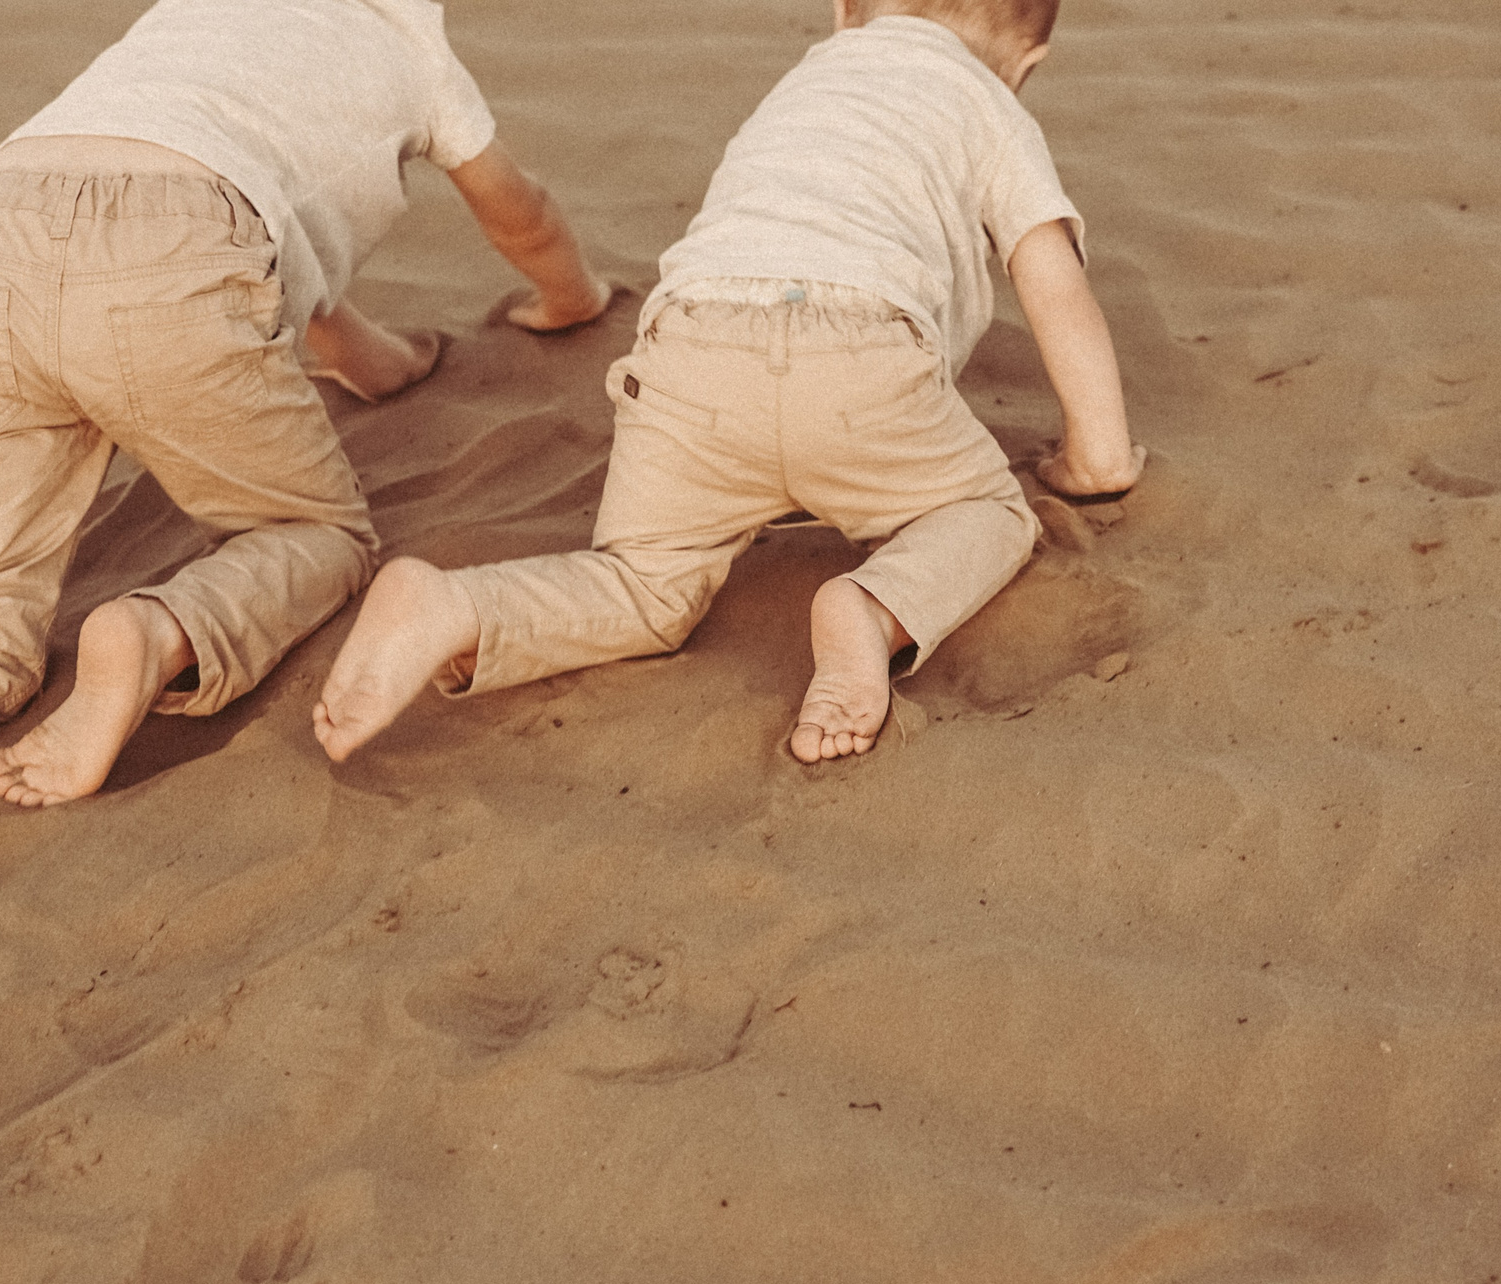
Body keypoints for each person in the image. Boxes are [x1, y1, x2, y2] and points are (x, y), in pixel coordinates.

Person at [0, 0, 612, 1002]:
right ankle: (159, 632)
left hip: (2, 233)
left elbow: (273, 217)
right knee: (316, 532)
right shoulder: (413, 48)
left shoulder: (196, 17)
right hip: (183, 258)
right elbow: (521, 214)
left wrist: (375, 361)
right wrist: (572, 300)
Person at [312, 0, 1142, 765]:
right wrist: (1096, 459)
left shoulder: (808, 79)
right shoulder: (992, 105)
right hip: (858, 355)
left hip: (688, 348)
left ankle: (458, 609)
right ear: (1026, 66)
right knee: (987, 512)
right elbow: (1053, 280)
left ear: (845, 10)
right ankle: (874, 610)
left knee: (644, 584)